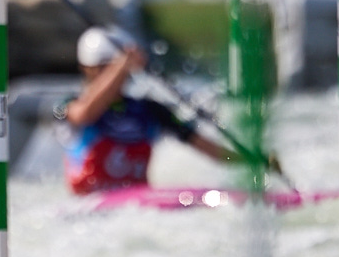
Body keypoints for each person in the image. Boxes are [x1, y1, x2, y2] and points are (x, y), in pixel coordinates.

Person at [57, 27, 241, 194]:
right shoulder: (69, 104)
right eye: (105, 68)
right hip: (88, 203)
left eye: (116, 67)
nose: (115, 74)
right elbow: (84, 114)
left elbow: (205, 146)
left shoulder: (149, 109)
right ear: (87, 69)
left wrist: (252, 162)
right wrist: (121, 64)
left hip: (137, 206)